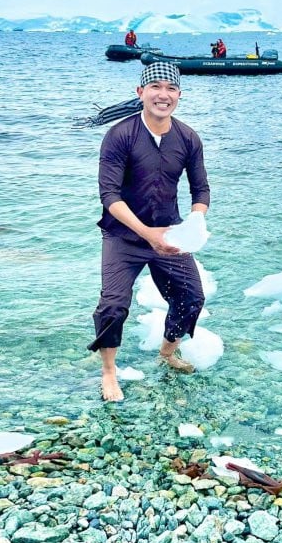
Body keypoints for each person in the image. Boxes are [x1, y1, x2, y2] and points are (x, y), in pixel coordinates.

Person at [89, 61, 210, 401]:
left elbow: (200, 190)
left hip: (168, 236)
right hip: (123, 236)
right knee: (112, 305)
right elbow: (109, 195)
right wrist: (146, 232)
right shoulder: (120, 136)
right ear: (140, 93)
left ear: (179, 96)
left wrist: (196, 221)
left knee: (191, 298)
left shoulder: (188, 138)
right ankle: (109, 372)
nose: (163, 94)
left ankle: (167, 352)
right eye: (155, 86)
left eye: (170, 88)